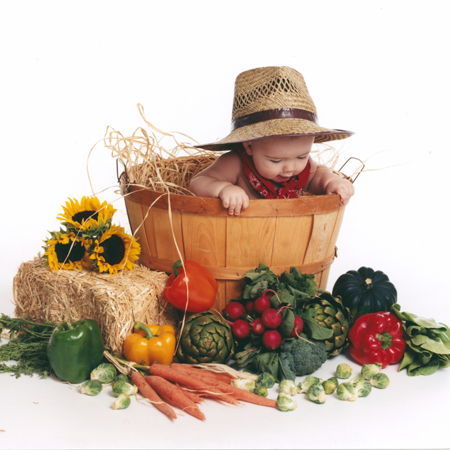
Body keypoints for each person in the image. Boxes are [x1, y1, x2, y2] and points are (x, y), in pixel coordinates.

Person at [190, 66, 355, 215]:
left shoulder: (302, 168)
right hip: (241, 235)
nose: (290, 168)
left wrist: (332, 182)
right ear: (249, 146)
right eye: (275, 160)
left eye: (301, 157)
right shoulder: (236, 163)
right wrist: (223, 188)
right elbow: (199, 181)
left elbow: (318, 175)